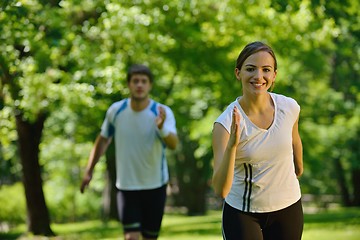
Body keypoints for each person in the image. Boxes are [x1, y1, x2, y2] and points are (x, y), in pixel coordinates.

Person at [212, 41, 304, 240]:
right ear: (238, 73)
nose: (258, 76)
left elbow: (294, 139)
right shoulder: (225, 124)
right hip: (244, 213)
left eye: (266, 70)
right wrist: (232, 146)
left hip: (288, 207)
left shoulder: (289, 107)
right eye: (251, 69)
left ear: (274, 75)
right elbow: (220, 189)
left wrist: (299, 166)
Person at [80, 64, 178, 240]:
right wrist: (89, 170)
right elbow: (103, 140)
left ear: (150, 85)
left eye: (143, 81)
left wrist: (162, 128)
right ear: (129, 84)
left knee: (150, 237)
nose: (139, 85)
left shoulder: (161, 112)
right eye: (135, 81)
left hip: (155, 186)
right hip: (127, 187)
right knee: (131, 237)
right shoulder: (116, 111)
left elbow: (173, 144)